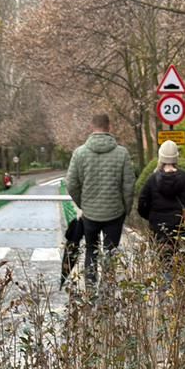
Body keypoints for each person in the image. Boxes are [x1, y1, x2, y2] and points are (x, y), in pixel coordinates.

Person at [63, 112, 135, 290]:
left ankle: (90, 289)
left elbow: (71, 184)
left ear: (91, 127)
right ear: (109, 127)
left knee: (90, 251)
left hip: (90, 214)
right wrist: (126, 208)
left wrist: (83, 203)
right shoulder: (122, 154)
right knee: (111, 252)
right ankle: (107, 292)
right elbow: (129, 185)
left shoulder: (79, 154)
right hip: (115, 213)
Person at [136, 140, 185, 263]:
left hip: (158, 231)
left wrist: (152, 217)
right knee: (181, 264)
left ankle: (166, 282)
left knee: (162, 263)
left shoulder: (152, 180)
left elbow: (142, 206)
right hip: (180, 230)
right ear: (176, 158)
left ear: (160, 157)